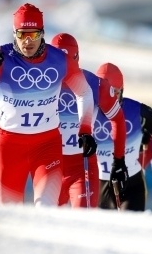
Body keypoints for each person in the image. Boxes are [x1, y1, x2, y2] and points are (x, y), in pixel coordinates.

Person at [0, 3, 95, 206]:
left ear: (42, 33)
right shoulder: (1, 57)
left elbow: (85, 93)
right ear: (14, 33)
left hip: (47, 146)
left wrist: (85, 130)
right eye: (22, 34)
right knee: (11, 214)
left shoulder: (60, 60)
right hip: (10, 148)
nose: (27, 41)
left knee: (46, 210)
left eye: (33, 35)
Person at [94, 62, 152, 212]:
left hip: (132, 186)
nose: (109, 100)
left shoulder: (138, 111)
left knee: (129, 232)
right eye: (103, 93)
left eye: (115, 93)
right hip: (98, 187)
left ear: (122, 91)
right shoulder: (87, 111)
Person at [51, 33, 126, 208]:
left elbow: (118, 120)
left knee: (82, 223)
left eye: (67, 61)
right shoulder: (42, 81)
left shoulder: (96, 84)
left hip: (82, 165)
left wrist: (119, 160)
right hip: (50, 165)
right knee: (50, 226)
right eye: (58, 60)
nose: (64, 67)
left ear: (76, 59)